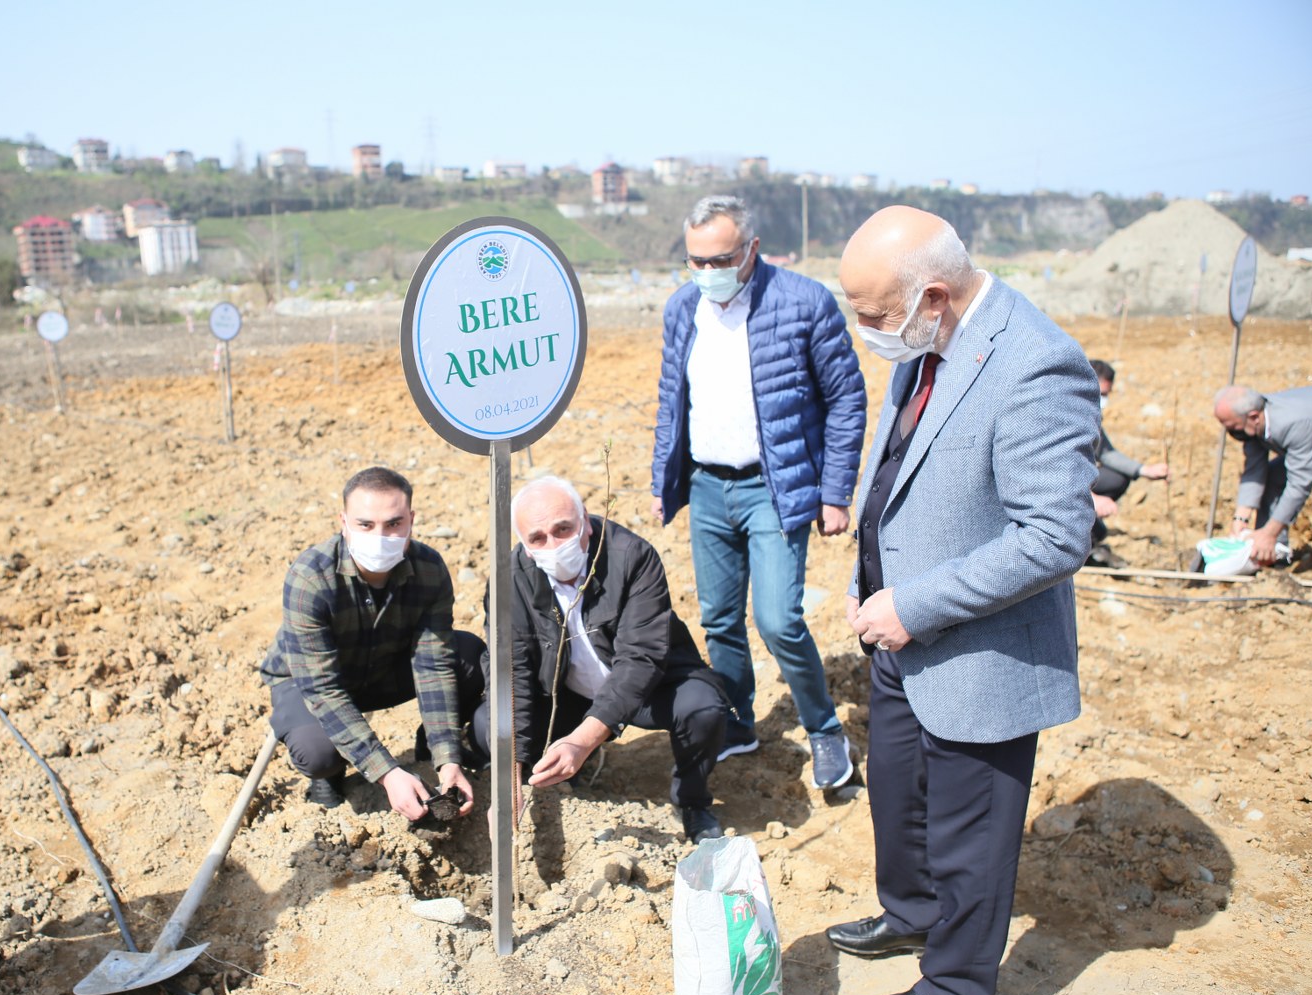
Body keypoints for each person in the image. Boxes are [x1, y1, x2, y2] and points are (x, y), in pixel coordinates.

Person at [831, 207, 1097, 995]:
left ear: (934, 297)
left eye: (873, 315)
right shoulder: (924, 344)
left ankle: (954, 986)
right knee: (899, 796)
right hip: (896, 634)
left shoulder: (1036, 363)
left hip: (978, 650)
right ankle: (912, 912)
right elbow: (898, 471)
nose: (866, 331)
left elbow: (1053, 536)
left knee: (969, 829)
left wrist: (914, 605)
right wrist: (867, 580)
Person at [650, 194, 867, 788]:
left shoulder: (804, 303)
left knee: (777, 619)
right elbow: (672, 400)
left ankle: (824, 729)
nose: (707, 272)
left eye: (720, 260)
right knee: (720, 621)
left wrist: (835, 492)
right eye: (696, 261)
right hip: (707, 484)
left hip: (774, 487)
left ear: (751, 249)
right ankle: (738, 722)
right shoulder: (682, 309)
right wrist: (663, 479)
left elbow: (846, 398)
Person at [472, 476, 729, 843]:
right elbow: (511, 672)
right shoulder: (510, 580)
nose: (554, 545)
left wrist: (582, 741)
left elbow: (641, 659)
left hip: (648, 689)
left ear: (586, 522)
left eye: (563, 529)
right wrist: (508, 779)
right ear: (525, 547)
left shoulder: (631, 557)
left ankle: (692, 801)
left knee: (702, 708)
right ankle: (546, 779)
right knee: (488, 722)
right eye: (538, 538)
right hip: (568, 692)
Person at [259, 466, 485, 821]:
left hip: (384, 669)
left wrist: (448, 757)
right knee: (316, 752)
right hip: (313, 681)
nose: (380, 537)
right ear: (344, 522)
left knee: (469, 656)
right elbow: (323, 689)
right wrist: (387, 772)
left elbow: (433, 665)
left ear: (411, 520)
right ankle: (331, 773)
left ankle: (431, 750)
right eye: (365, 525)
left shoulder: (428, 569)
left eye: (394, 524)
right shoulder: (311, 578)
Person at [1213, 384, 1312, 566]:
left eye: (1232, 427)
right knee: (1271, 477)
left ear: (1254, 417)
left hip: (1310, 439)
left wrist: (1269, 532)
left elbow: (1300, 483)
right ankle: (1271, 554)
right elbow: (1255, 470)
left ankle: (1269, 539)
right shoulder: (1254, 423)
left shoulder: (1293, 422)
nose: (1230, 433)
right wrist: (1241, 518)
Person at [1086, 359, 1170, 567]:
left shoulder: (1090, 415)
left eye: (1107, 395)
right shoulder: (1064, 414)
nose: (1104, 400)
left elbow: (1106, 453)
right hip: (1053, 487)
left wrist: (1144, 470)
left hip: (1076, 482)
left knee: (1117, 479)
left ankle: (1088, 531)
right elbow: (1057, 468)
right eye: (1101, 394)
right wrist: (1090, 498)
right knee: (1097, 530)